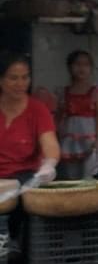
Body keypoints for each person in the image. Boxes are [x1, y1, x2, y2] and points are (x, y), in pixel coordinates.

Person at [0, 54, 61, 184]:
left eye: (25, 77)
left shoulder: (38, 110)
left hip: (23, 180)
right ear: (1, 80)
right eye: (13, 78)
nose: (20, 84)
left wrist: (49, 164)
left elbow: (50, 144)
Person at [56, 50, 98, 180]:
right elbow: (58, 117)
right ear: (70, 67)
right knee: (70, 176)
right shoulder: (63, 92)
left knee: (88, 176)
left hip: (89, 139)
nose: (82, 68)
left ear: (91, 68)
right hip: (69, 140)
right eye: (77, 64)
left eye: (86, 64)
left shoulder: (96, 92)